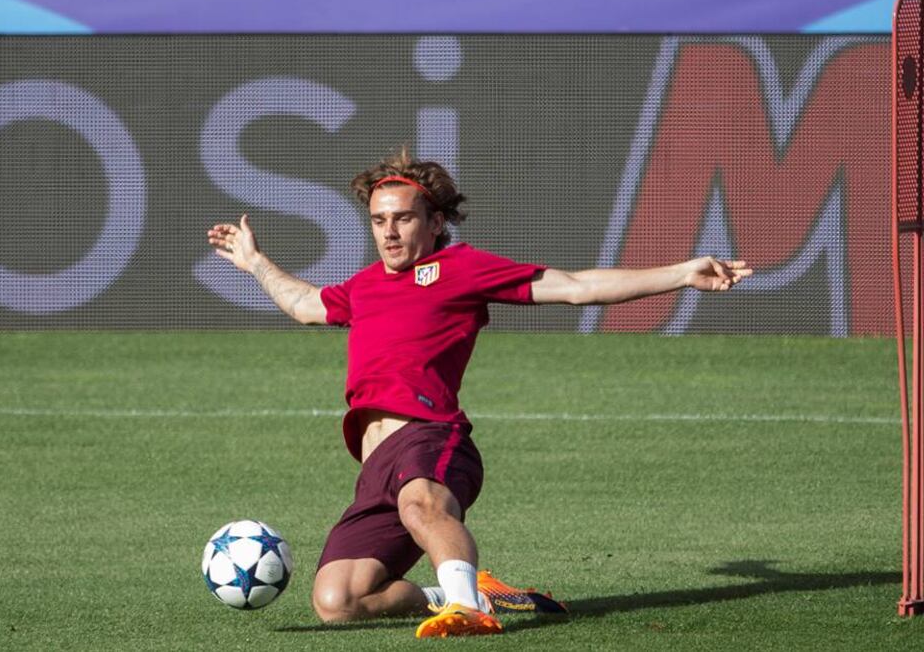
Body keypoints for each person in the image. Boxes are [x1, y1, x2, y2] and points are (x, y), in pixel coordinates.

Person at [206, 150, 752, 638]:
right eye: (378, 220)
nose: (389, 232)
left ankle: (468, 610)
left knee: (422, 504)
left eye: (402, 218)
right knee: (339, 600)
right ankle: (458, 592)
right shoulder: (366, 285)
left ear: (435, 221)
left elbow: (574, 288)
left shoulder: (458, 269)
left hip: (429, 437)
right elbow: (305, 305)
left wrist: (682, 273)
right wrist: (256, 262)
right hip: (375, 471)